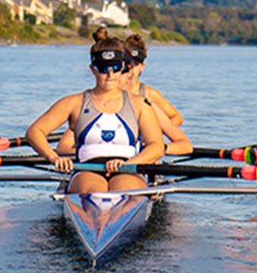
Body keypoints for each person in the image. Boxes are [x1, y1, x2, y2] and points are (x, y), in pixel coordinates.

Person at [26, 27, 164, 193]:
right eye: (104, 68)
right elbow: (34, 132)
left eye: (115, 68)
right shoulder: (73, 103)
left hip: (128, 169)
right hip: (86, 170)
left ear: (123, 68)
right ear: (92, 69)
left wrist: (129, 163)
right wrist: (54, 157)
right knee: (92, 191)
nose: (110, 75)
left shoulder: (140, 104)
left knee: (124, 191)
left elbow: (156, 146)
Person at [54, 33, 193, 157]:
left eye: (121, 70)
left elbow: (185, 145)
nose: (127, 75)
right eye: (108, 69)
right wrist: (94, 151)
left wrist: (154, 147)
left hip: (133, 170)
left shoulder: (144, 104)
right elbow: (63, 147)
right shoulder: (88, 106)